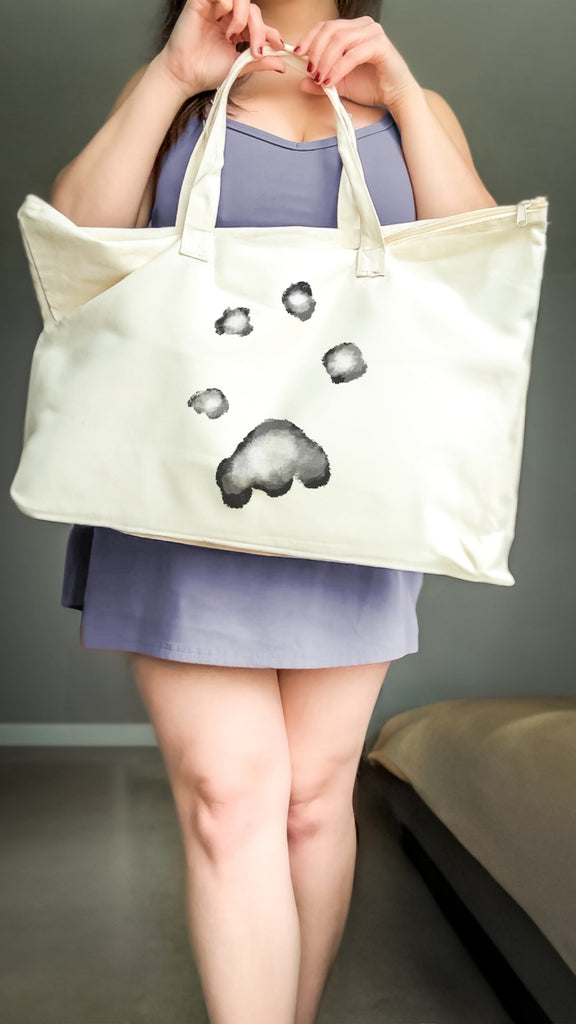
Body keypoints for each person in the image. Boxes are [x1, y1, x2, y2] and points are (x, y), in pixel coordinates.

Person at [51, 2, 497, 1021]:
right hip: (181, 489)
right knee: (227, 795)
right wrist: (172, 76)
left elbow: (480, 276)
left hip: (354, 493)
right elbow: (75, 249)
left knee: (308, 804)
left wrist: (404, 98)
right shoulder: (177, 91)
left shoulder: (410, 100)